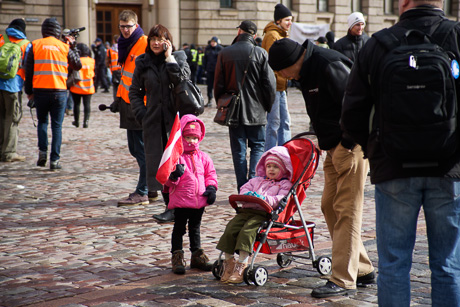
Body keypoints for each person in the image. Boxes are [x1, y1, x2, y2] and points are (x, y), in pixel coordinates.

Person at [341, 1, 460, 306]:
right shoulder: (456, 35)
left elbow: (352, 113)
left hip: (393, 167)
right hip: (449, 166)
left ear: (401, 3)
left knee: (393, 267)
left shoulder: (378, 44)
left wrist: (376, 150)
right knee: (448, 267)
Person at [268, 38, 375, 298]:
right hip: (332, 146)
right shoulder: (306, 71)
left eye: (282, 71)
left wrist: (348, 141)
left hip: (349, 146)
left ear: (293, 61)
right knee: (329, 204)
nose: (283, 77)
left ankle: (342, 279)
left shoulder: (328, 64)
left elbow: (359, 102)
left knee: (347, 210)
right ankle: (361, 267)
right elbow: (322, 109)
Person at [129, 23, 189, 222]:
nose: (155, 43)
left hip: (176, 122)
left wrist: (169, 57)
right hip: (153, 122)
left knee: (178, 165)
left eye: (160, 39)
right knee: (160, 167)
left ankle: (181, 205)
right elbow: (134, 92)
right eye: (153, 39)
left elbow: (183, 81)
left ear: (168, 41)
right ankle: (170, 207)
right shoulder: (142, 62)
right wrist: (142, 114)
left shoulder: (178, 58)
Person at [214, 20, 276, 192]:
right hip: (257, 110)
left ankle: (243, 188)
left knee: (238, 150)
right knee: (257, 146)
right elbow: (270, 85)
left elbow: (218, 84)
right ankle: (253, 184)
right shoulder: (261, 53)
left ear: (239, 32)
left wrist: (222, 105)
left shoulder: (225, 53)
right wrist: (267, 107)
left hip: (233, 111)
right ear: (254, 35)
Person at [216, 145, 293, 283]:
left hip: (263, 214)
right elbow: (244, 188)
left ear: (282, 169)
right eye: (268, 166)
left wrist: (263, 199)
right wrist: (248, 194)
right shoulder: (256, 180)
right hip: (246, 211)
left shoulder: (284, 185)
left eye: (275, 167)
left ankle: (242, 264)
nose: (271, 169)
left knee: (247, 232)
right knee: (230, 230)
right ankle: (228, 262)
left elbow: (279, 199)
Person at [24, 17, 82, 170]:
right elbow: (78, 65)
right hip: (59, 91)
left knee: (42, 123)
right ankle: (55, 160)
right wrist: (73, 45)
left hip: (40, 91)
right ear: (57, 31)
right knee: (57, 127)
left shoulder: (35, 45)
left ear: (43, 31)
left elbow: (28, 71)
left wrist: (29, 92)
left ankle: (42, 153)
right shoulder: (64, 47)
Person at [163, 114, 218, 274]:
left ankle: (196, 255)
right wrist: (173, 175)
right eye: (187, 137)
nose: (191, 141)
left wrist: (212, 188)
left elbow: (210, 174)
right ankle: (177, 256)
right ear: (181, 137)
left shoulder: (204, 157)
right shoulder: (176, 157)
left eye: (194, 138)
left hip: (199, 201)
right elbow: (165, 180)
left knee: (195, 228)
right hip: (181, 201)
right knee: (179, 229)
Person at [109, 10, 150, 206]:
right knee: (135, 149)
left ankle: (143, 191)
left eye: (129, 26)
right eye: (122, 26)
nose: (125, 30)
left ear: (136, 25)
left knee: (142, 150)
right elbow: (126, 74)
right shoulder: (126, 44)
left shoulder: (144, 42)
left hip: (140, 105)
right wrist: (118, 98)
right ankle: (150, 187)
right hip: (128, 103)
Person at [262, 3, 293, 151]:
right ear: (278, 20)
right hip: (273, 86)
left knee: (285, 121)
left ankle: (284, 152)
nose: (290, 23)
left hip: (281, 86)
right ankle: (270, 153)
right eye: (287, 20)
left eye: (291, 20)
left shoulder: (280, 34)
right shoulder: (272, 35)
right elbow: (270, 63)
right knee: (274, 123)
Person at [0, 18, 30, 162]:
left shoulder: (1, 39)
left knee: (1, 116)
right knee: (12, 119)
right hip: (13, 86)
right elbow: (29, 68)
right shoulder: (26, 45)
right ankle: (9, 152)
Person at [70, 43, 95, 129]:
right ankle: (86, 122)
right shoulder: (91, 61)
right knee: (87, 105)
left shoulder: (77, 60)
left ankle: (76, 121)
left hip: (77, 86)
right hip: (88, 87)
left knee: (76, 104)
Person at [203, 36, 223, 107]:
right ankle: (209, 100)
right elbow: (205, 59)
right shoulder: (207, 48)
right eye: (212, 42)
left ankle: (219, 101)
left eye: (214, 42)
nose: (212, 43)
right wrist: (204, 69)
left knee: (218, 86)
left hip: (217, 70)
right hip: (209, 70)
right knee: (209, 86)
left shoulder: (220, 49)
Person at [107, 34, 121, 101]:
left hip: (114, 71)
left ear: (113, 41)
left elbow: (108, 61)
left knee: (115, 88)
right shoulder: (123, 48)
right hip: (123, 71)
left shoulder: (110, 50)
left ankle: (116, 102)